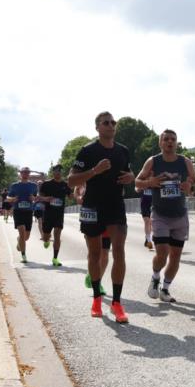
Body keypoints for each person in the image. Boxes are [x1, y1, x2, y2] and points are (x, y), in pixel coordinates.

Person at [68, 111, 135, 323]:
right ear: (97, 127)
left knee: (119, 253)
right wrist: (95, 171)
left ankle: (116, 303)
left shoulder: (123, 150)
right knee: (95, 254)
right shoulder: (88, 151)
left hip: (115, 205)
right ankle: (97, 298)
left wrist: (130, 177)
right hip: (92, 206)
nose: (111, 125)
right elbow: (71, 180)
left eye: (113, 122)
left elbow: (129, 173)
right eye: (106, 123)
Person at [135, 129, 195, 303]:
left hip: (180, 216)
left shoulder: (185, 162)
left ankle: (165, 289)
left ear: (176, 143)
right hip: (160, 215)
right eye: (166, 139)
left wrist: (191, 188)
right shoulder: (153, 161)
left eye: (173, 139)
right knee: (162, 253)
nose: (169, 142)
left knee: (175, 257)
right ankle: (155, 276)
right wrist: (150, 182)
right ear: (161, 143)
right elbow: (136, 182)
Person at [75, 183, 110, 296]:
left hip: (106, 217)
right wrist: (78, 197)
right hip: (90, 217)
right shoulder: (86, 175)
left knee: (104, 254)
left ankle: (97, 280)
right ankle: (92, 273)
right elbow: (76, 189)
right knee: (94, 252)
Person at [39, 165, 70, 266]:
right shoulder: (46, 184)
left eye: (60, 171)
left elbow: (71, 196)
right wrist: (46, 198)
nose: (58, 172)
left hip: (59, 215)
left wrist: (79, 191)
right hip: (48, 214)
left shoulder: (65, 185)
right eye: (56, 171)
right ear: (53, 172)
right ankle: (46, 240)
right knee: (46, 237)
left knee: (57, 235)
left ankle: (55, 258)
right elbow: (40, 197)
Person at [7, 167, 38, 263]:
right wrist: (12, 199)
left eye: (27, 172)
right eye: (24, 172)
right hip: (18, 211)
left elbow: (36, 197)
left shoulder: (34, 186)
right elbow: (8, 197)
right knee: (21, 231)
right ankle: (24, 256)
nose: (25, 174)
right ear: (20, 174)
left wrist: (33, 198)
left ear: (29, 174)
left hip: (28, 211)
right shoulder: (14, 186)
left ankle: (19, 241)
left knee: (26, 237)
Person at [139, 184, 154, 251]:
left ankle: (147, 238)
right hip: (144, 205)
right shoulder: (142, 179)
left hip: (153, 204)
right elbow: (136, 189)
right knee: (147, 221)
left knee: (150, 223)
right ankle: (149, 241)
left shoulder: (154, 180)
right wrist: (142, 186)